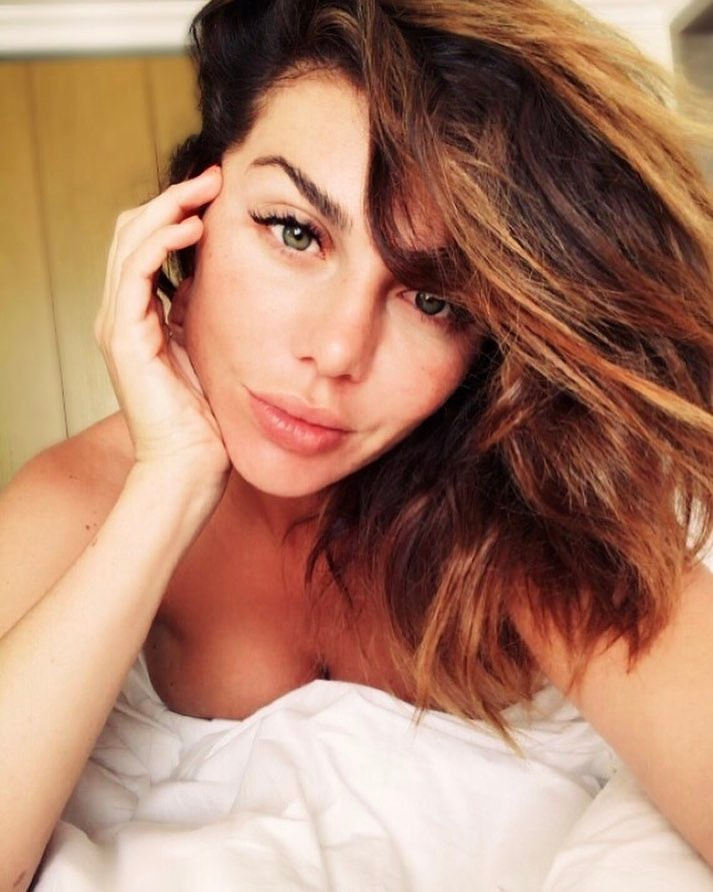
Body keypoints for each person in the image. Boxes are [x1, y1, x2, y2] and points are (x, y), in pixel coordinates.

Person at [2, 0, 713, 886]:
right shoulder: (75, 502)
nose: (337, 351)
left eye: (432, 298)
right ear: (186, 217)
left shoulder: (519, 505)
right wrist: (169, 482)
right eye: (294, 232)